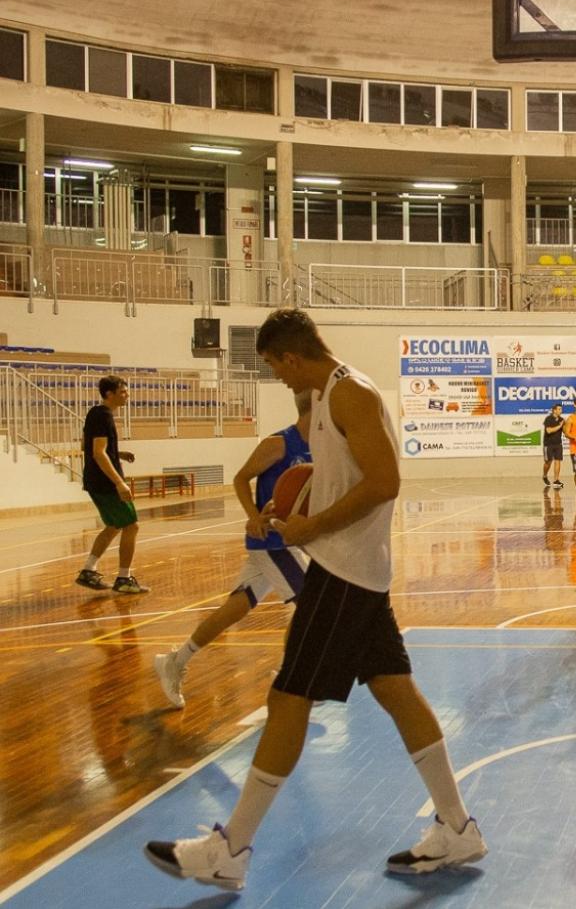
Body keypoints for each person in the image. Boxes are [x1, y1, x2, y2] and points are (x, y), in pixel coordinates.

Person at [145, 308, 485, 890]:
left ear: (292, 356)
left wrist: (314, 527)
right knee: (396, 692)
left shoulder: (351, 393)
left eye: (275, 366)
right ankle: (458, 828)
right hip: (357, 572)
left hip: (343, 573)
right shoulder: (327, 397)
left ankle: (230, 850)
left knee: (288, 697)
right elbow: (344, 482)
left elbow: (385, 483)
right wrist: (297, 515)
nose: (277, 377)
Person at [153, 390, 313, 709]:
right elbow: (240, 479)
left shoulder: (321, 446)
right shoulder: (279, 443)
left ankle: (175, 660)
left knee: (234, 610)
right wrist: (253, 516)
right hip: (271, 542)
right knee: (311, 603)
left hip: (285, 541)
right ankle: (292, 680)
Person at [75, 374, 148, 594]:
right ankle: (124, 578)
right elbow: (98, 453)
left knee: (114, 526)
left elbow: (86, 446)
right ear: (110, 394)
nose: (127, 395)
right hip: (106, 483)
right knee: (131, 526)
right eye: (123, 392)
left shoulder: (95, 413)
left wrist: (118, 453)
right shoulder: (103, 416)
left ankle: (88, 571)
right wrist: (119, 483)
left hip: (95, 481)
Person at [542, 401, 565, 490]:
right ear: (554, 410)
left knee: (558, 461)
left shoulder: (561, 420)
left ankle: (556, 480)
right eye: (559, 409)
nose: (560, 411)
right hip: (548, 444)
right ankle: (544, 475)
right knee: (548, 462)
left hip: (558, 444)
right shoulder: (548, 419)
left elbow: (565, 431)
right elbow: (549, 431)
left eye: (561, 409)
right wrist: (559, 426)